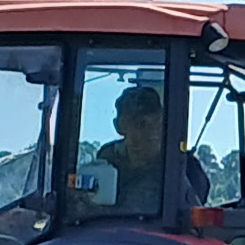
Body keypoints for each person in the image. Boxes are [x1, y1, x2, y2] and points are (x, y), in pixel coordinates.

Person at [79, 84, 208, 215]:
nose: (146, 134)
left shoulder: (184, 166)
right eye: (135, 124)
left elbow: (194, 216)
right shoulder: (107, 159)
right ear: (119, 126)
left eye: (154, 124)